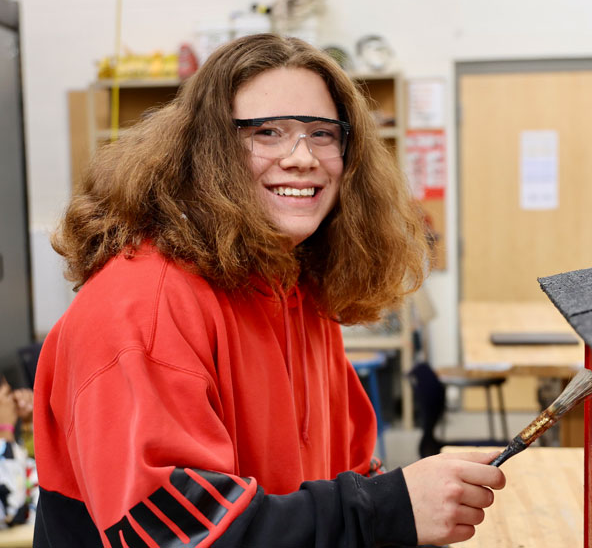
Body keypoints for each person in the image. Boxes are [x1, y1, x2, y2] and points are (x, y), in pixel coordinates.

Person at [33, 33, 505, 548]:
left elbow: (348, 468)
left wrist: (400, 502)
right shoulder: (141, 307)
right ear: (207, 152)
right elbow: (181, 536)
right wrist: (385, 512)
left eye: (323, 134)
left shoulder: (294, 287)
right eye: (267, 132)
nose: (303, 157)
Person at [0, 380, 36, 528]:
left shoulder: (13, 449)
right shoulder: (5, 446)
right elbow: (12, 513)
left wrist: (33, 421)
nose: (11, 405)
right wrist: (5, 430)